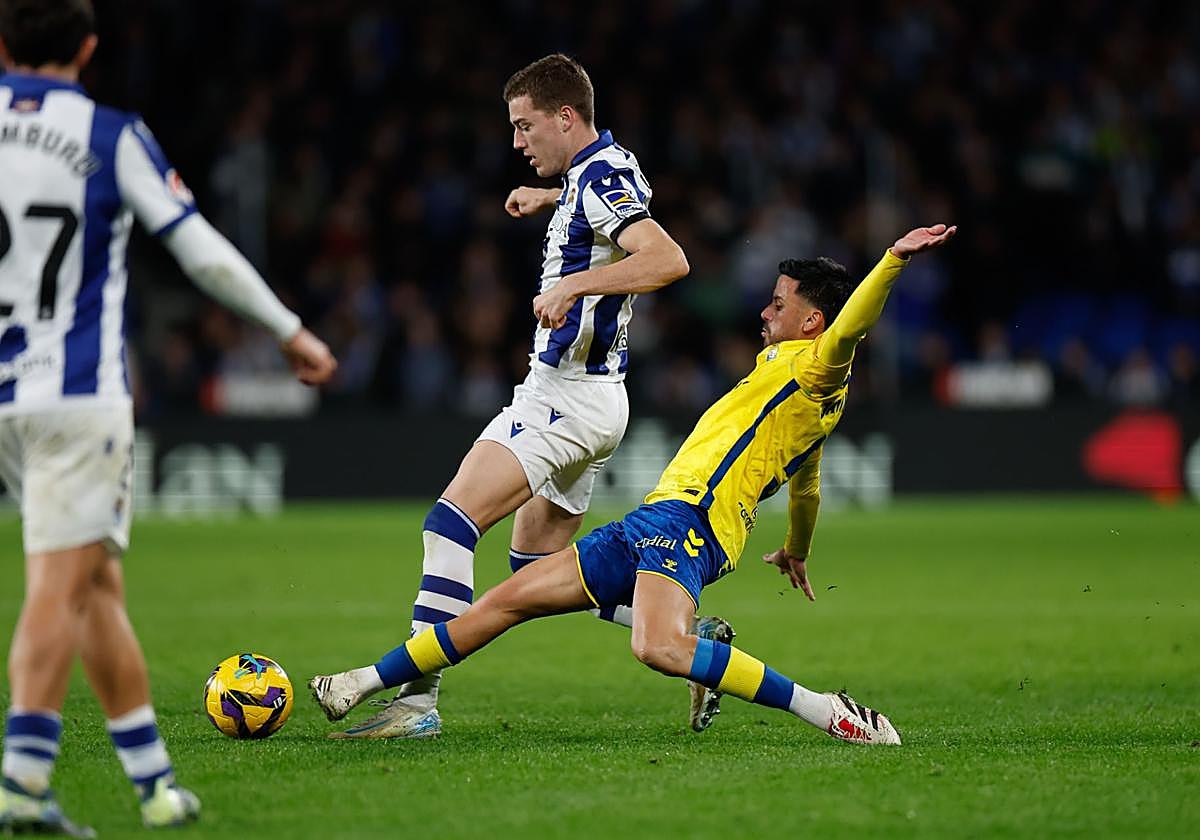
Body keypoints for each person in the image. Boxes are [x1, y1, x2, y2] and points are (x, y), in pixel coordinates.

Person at [311, 224, 956, 745]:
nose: (764, 311)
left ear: (813, 322)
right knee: (505, 598)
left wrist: (892, 259)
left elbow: (851, 326)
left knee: (656, 646)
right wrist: (798, 549)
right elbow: (807, 485)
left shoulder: (820, 367)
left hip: (694, 527)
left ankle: (827, 711)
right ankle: (361, 683)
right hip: (655, 519)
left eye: (779, 304)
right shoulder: (789, 379)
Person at [0, 1, 337, 835]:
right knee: (57, 586)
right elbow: (198, 249)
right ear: (87, 45)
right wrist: (288, 328)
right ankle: (22, 781)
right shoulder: (111, 134)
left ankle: (154, 784)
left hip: (4, 393)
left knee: (92, 583)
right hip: (77, 397)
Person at [342, 53, 710, 740]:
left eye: (525, 126)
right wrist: (549, 200)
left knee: (449, 525)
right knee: (537, 567)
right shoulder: (609, 166)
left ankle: (416, 703)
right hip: (600, 399)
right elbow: (611, 203)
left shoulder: (598, 178)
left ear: (565, 117)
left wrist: (571, 286)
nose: (517, 142)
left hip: (563, 397)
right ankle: (682, 628)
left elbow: (668, 259)